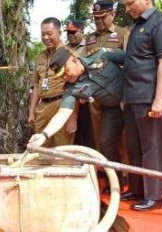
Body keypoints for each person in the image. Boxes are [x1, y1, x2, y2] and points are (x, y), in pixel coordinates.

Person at [120, 0, 162, 211]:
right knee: (134, 146)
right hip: (132, 98)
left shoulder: (160, 23)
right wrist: (125, 96)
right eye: (125, 5)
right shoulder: (137, 26)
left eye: (130, 3)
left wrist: (159, 98)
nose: (127, 9)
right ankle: (138, 188)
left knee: (152, 146)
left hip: (149, 98)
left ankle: (155, 196)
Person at [28, 46, 125, 153]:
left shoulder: (101, 54)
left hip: (133, 98)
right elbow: (63, 113)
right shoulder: (71, 88)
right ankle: (114, 170)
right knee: (106, 142)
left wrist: (130, 93)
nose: (65, 77)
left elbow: (132, 60)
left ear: (74, 60)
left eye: (66, 71)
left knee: (135, 141)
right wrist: (44, 135)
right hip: (111, 108)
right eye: (61, 76)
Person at [85, 0, 130, 194]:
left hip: (118, 92)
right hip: (97, 95)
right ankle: (107, 171)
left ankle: (126, 172)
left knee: (122, 137)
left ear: (112, 14)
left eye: (102, 17)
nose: (99, 21)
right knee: (100, 137)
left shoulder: (121, 33)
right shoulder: (90, 38)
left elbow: (130, 63)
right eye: (96, 18)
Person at [28, 17, 77, 148]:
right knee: (40, 149)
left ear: (59, 33)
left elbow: (76, 88)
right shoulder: (40, 57)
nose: (46, 37)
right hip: (42, 108)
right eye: (43, 34)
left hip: (61, 106)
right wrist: (32, 111)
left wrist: (73, 117)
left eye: (50, 34)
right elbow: (37, 86)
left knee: (62, 151)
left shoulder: (69, 54)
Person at [65, 20, 95, 149]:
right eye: (68, 32)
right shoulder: (64, 49)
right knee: (73, 136)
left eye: (73, 32)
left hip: (86, 98)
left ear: (82, 31)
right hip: (69, 96)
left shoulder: (90, 47)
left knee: (89, 133)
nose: (70, 35)